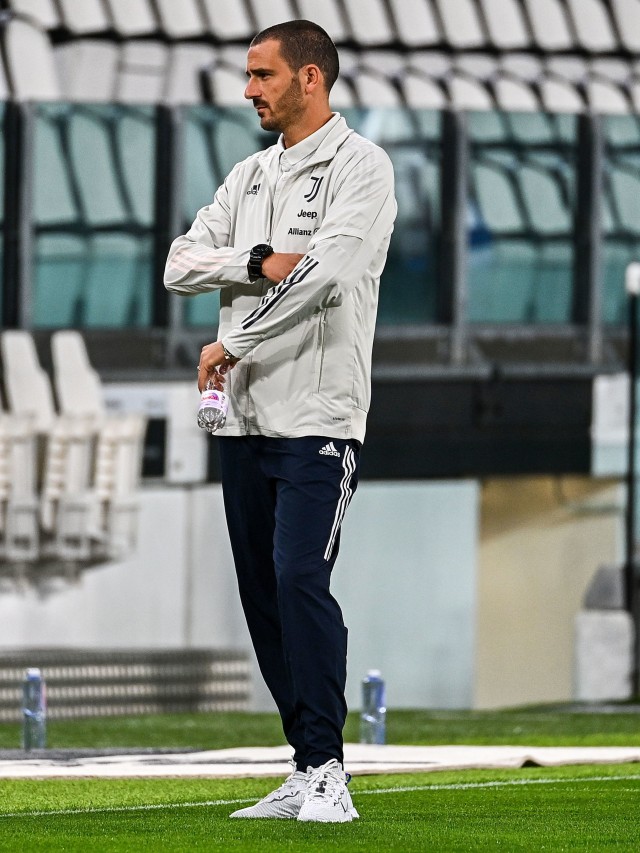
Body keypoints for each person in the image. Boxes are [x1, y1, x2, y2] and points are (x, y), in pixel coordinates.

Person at [164, 20, 396, 823]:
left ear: (310, 78)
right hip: (246, 419)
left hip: (320, 417)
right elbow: (179, 262)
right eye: (248, 75)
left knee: (301, 576)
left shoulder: (363, 168)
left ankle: (331, 770)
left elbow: (326, 277)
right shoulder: (250, 175)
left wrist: (234, 336)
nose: (248, 90)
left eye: (262, 75)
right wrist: (254, 260)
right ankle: (303, 764)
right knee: (263, 594)